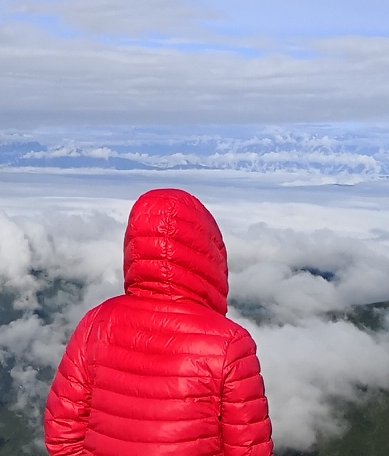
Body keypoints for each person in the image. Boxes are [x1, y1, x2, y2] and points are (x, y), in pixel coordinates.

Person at [42, 188, 273, 456]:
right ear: (209, 251)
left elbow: (61, 435)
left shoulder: (96, 322)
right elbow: (249, 451)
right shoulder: (230, 344)